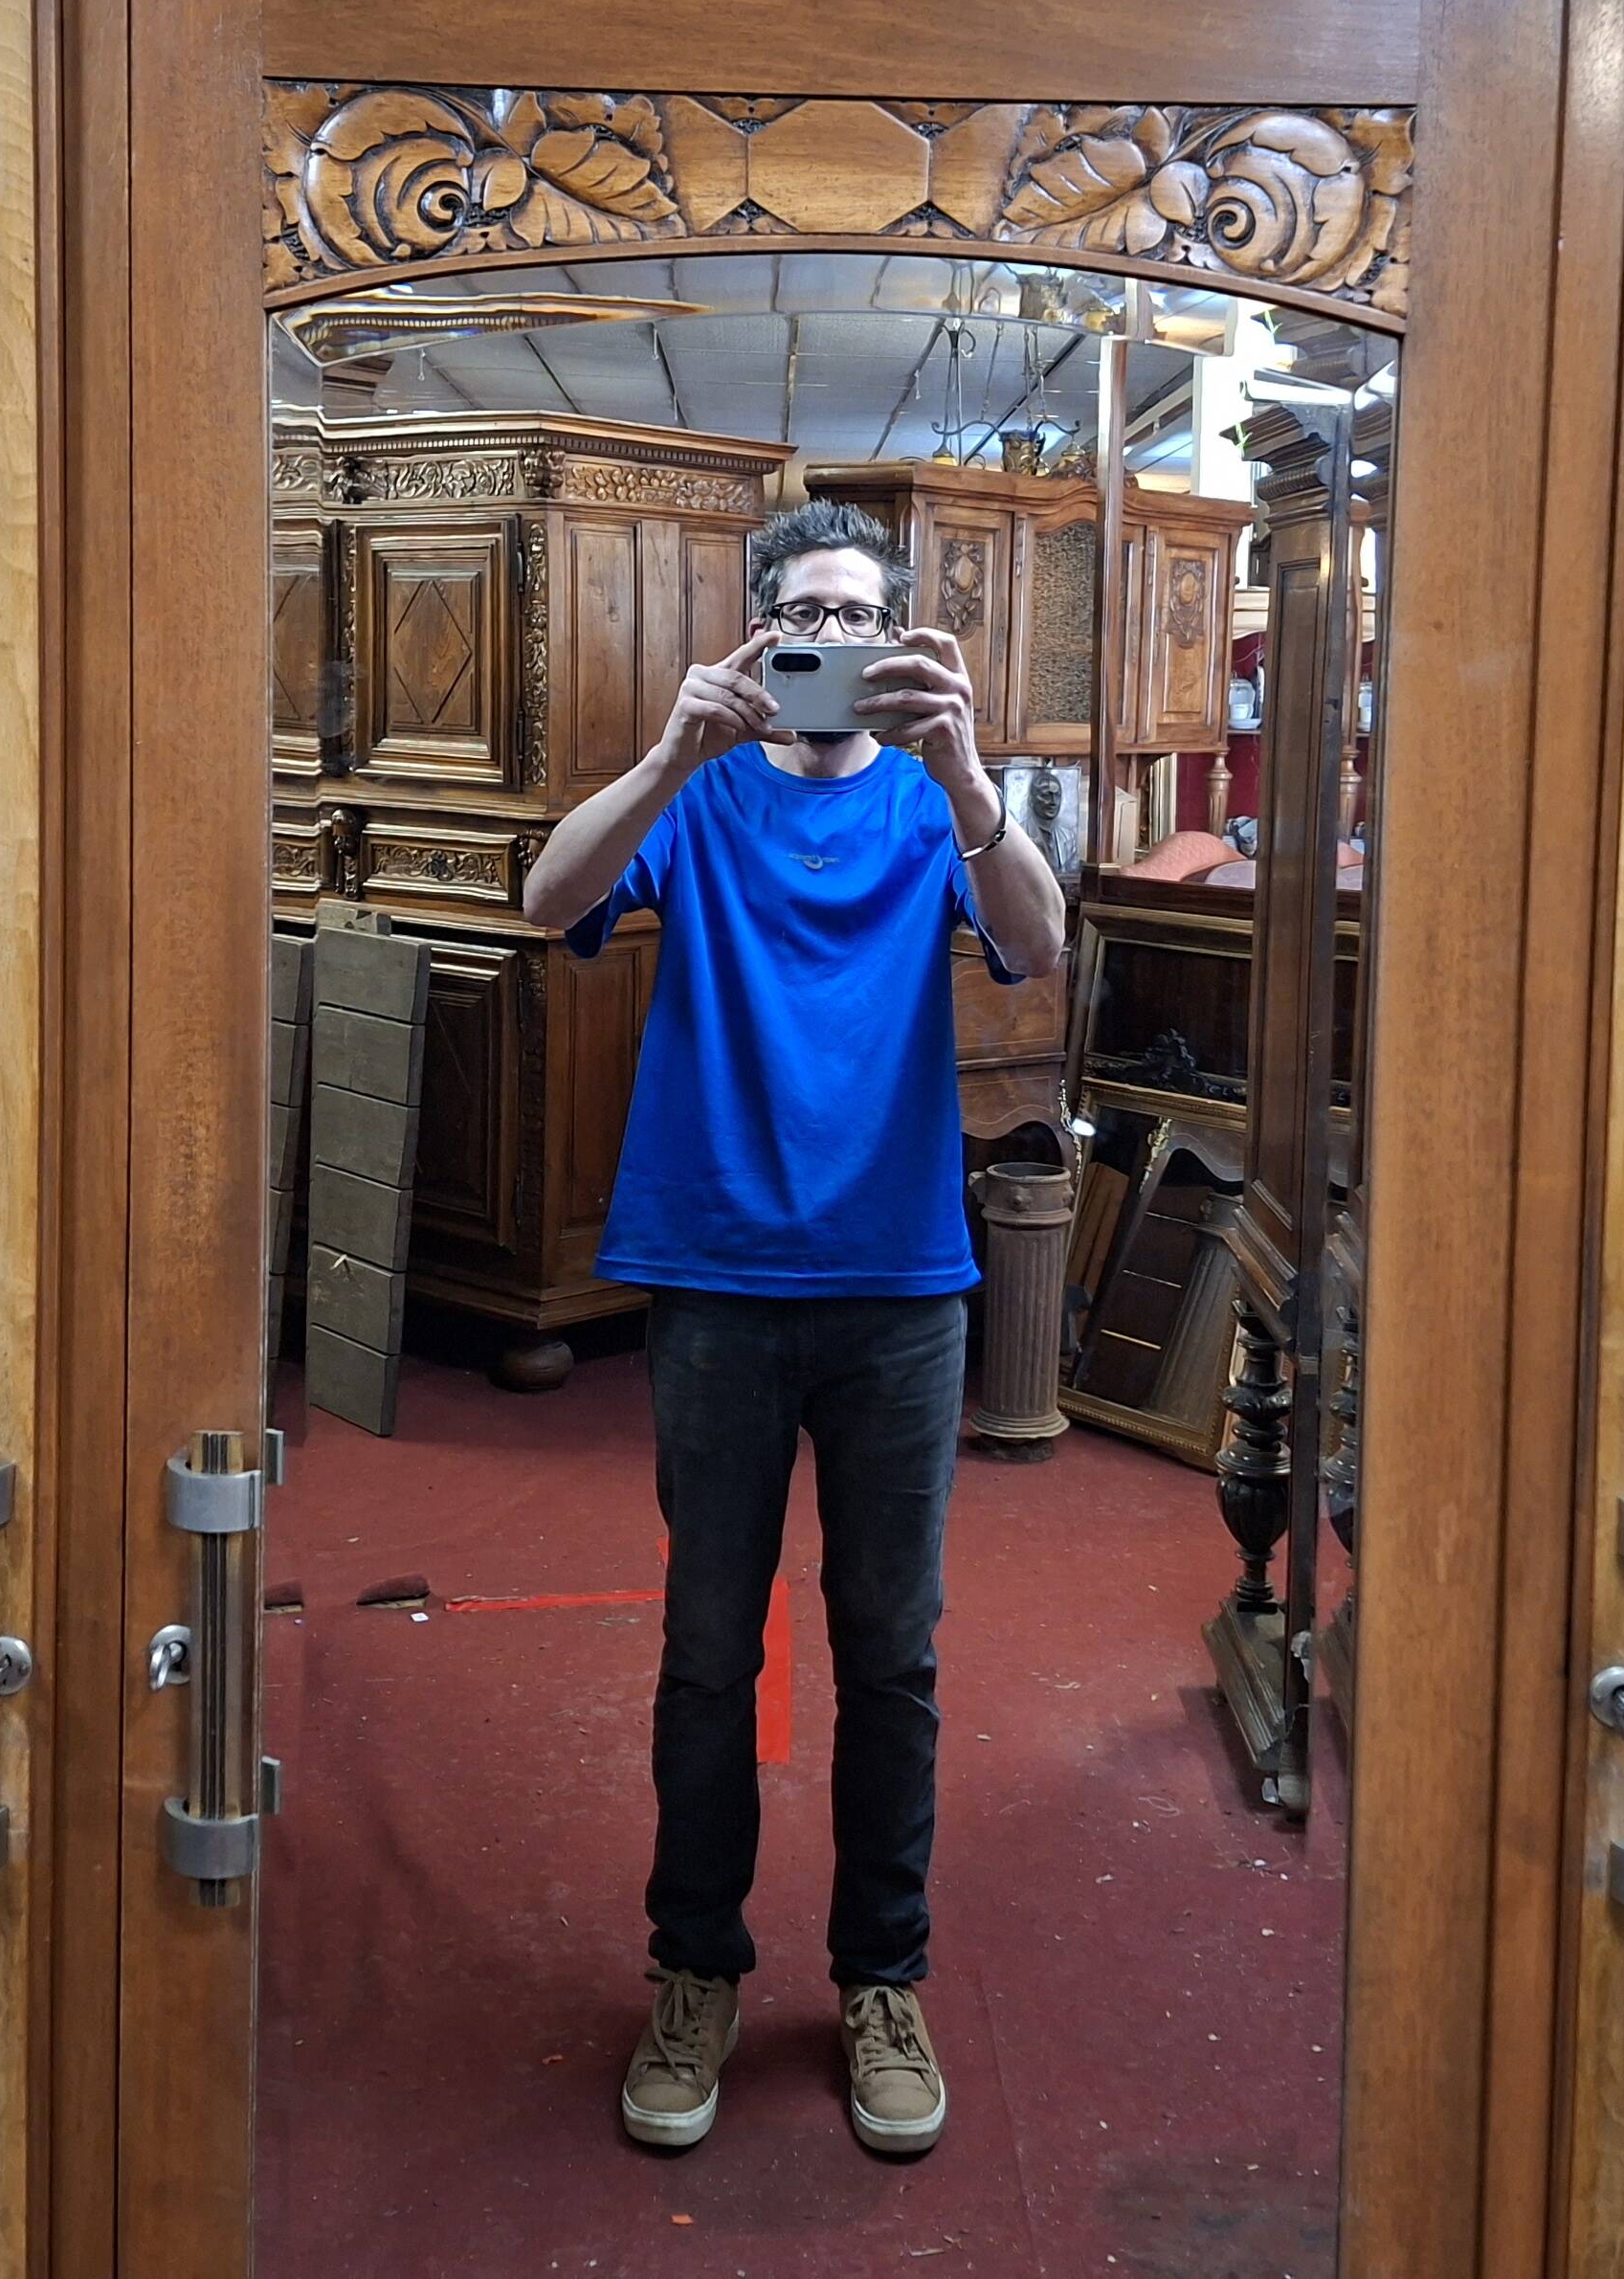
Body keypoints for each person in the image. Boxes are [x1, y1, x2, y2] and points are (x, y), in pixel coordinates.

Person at [521, 497, 1063, 2158]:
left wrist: (975, 778)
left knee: (892, 1660)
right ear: (764, 637)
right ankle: (697, 1969)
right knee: (708, 1655)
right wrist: (674, 746)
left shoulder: (934, 803)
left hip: (900, 1295)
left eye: (859, 618)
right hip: (718, 1287)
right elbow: (551, 903)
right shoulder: (699, 794)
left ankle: (878, 1981)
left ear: (896, 643)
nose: (831, 646)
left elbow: (1038, 948)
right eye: (803, 619)